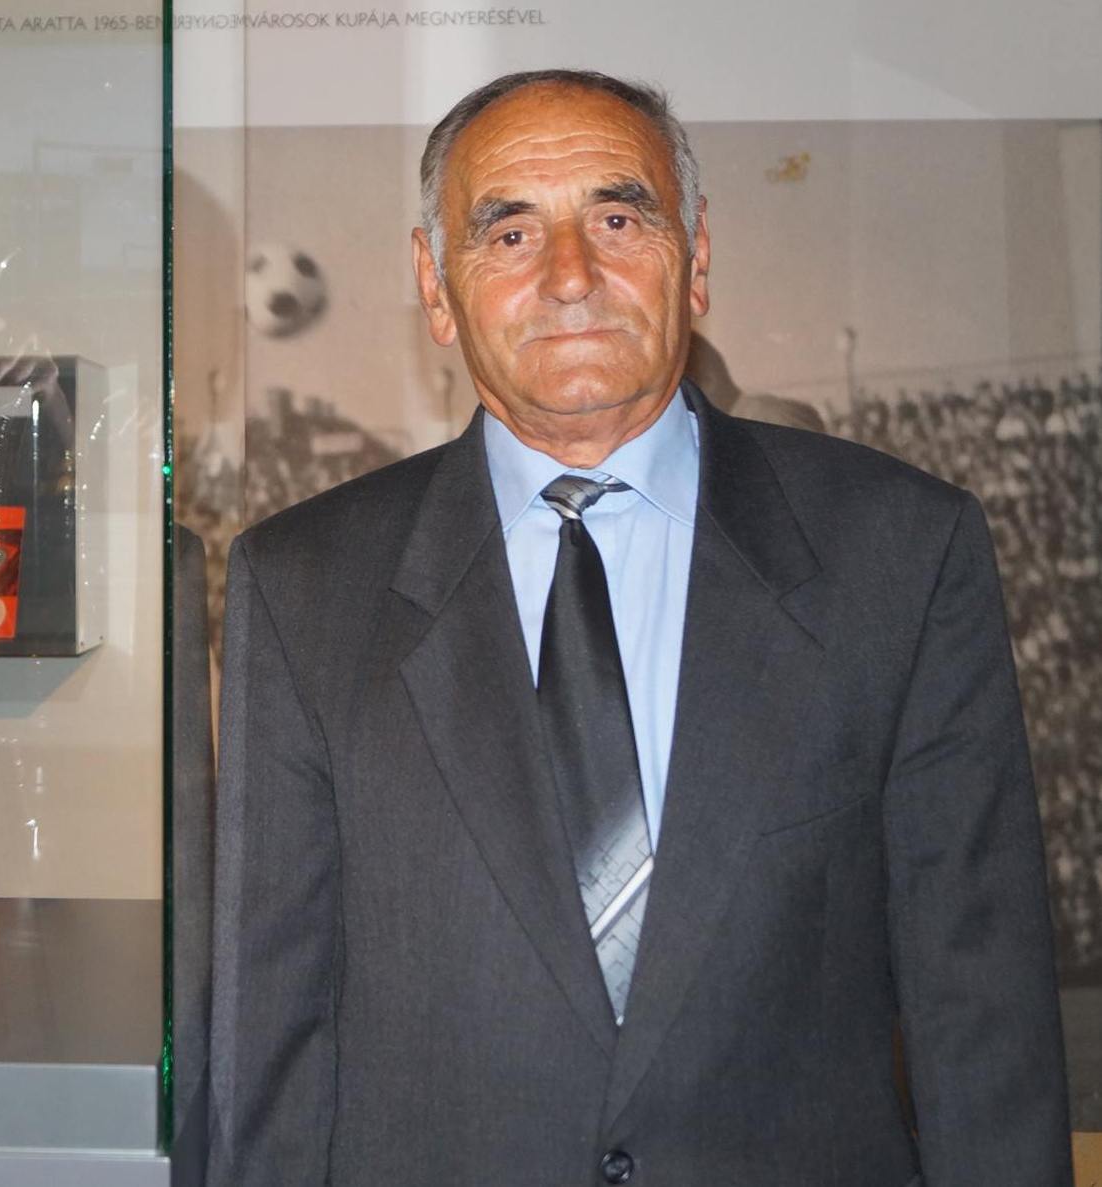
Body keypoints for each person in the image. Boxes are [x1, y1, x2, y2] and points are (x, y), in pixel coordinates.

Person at [206, 68, 1070, 1186]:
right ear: (436, 285)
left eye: (618, 220)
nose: (571, 275)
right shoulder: (303, 586)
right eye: (509, 233)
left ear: (695, 257)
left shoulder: (900, 551)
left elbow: (981, 1008)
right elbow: (272, 1032)